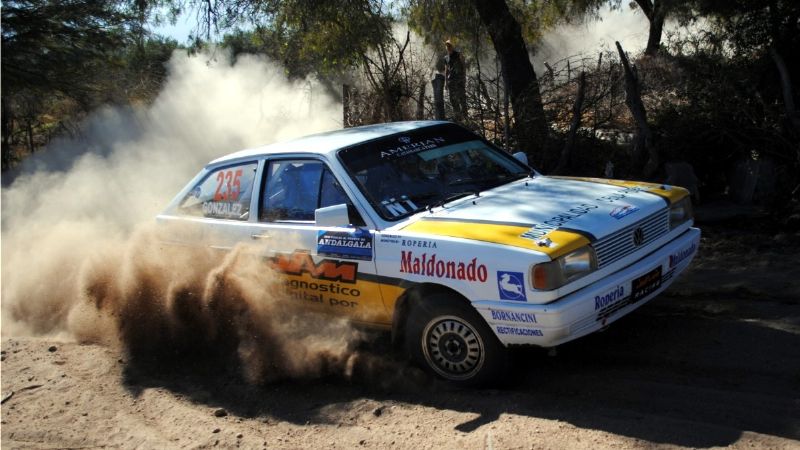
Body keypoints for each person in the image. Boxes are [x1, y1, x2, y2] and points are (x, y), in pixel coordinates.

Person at [444, 39, 467, 121]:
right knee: (453, 99)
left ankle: (465, 117)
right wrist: (446, 82)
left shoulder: (458, 54)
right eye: (447, 46)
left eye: (449, 45)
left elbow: (464, 65)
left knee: (462, 98)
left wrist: (464, 77)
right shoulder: (446, 58)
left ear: (452, 46)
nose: (448, 47)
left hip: (459, 79)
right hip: (451, 81)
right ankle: (458, 116)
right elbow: (446, 70)